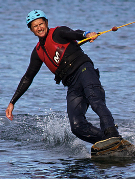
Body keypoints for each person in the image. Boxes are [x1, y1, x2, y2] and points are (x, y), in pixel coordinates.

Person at [5, 10, 121, 144]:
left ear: (46, 23)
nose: (39, 28)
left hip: (84, 70)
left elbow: (75, 33)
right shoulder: (37, 52)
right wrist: (12, 102)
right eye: (35, 26)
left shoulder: (58, 32)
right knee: (76, 126)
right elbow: (28, 77)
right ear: (31, 30)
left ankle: (112, 132)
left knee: (95, 100)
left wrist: (87, 34)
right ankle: (107, 142)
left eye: (41, 24)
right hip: (72, 84)